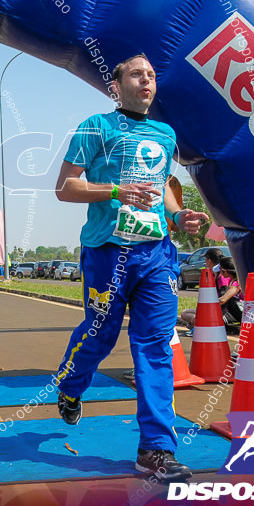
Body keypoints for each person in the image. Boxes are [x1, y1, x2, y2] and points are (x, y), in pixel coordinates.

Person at [53, 54, 208, 481]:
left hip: (155, 254)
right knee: (98, 337)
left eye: (152, 75)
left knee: (155, 345)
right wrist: (117, 190)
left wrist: (179, 217)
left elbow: (163, 192)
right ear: (115, 87)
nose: (147, 80)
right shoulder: (95, 128)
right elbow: (65, 188)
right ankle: (69, 386)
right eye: (137, 74)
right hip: (108, 252)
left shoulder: (164, 133)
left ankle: (155, 449)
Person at [180, 247, 229, 333]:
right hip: (212, 308)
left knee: (195, 318)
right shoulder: (212, 274)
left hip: (221, 310)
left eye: (205, 259)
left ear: (209, 260)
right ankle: (196, 324)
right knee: (184, 313)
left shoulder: (222, 277)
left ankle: (198, 326)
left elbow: (223, 297)